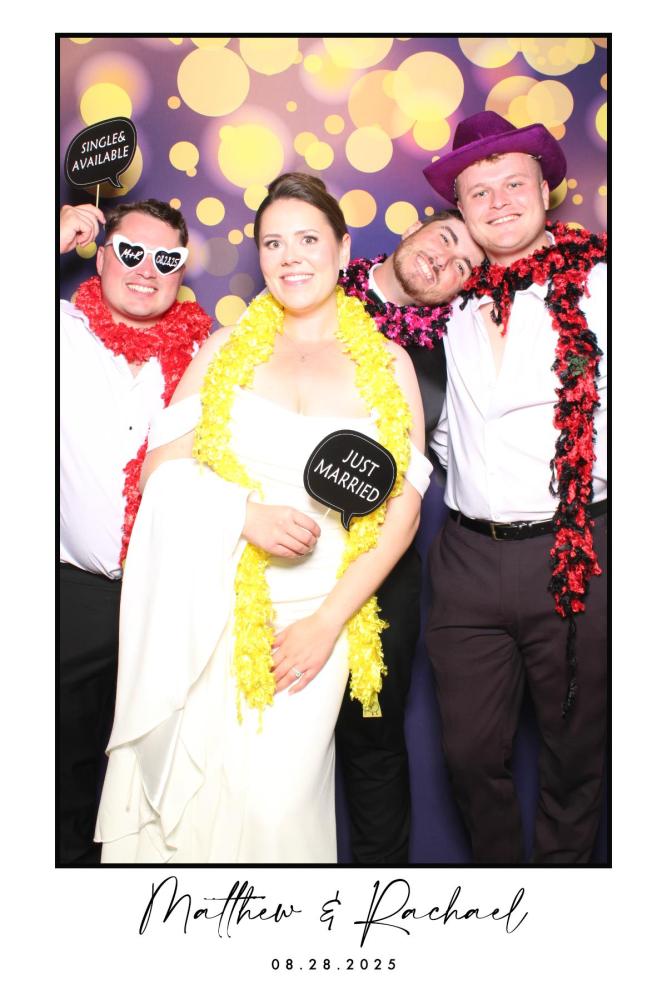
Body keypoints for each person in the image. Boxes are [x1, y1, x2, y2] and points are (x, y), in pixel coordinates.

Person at [94, 173, 432, 863]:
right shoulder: (224, 350)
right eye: (273, 243)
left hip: (321, 614)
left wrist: (326, 624)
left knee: (278, 810)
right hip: (217, 604)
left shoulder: (388, 364)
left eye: (307, 239)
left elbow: (401, 512)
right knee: (201, 800)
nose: (290, 257)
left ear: (343, 250)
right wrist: (240, 515)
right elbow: (159, 474)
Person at [423, 111, 607, 863]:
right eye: (478, 192)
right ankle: (501, 894)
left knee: (574, 753)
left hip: (575, 552)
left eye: (512, 184)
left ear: (545, 190)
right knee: (468, 754)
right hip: (466, 557)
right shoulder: (443, 301)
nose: (497, 203)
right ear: (459, 210)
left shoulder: (603, 287)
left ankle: (560, 900)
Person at [59, 199, 211, 865]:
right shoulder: (58, 334)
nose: (147, 269)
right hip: (74, 597)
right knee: (59, 770)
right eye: (130, 252)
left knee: (150, 784)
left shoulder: (206, 357)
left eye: (166, 259)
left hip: (166, 599)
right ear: (99, 256)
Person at [336, 213, 483, 863]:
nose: (445, 262)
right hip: (277, 551)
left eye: (464, 266)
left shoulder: (456, 349)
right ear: (414, 230)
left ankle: (382, 890)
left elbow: (470, 453)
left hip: (385, 560)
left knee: (373, 736)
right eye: (445, 239)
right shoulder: (311, 292)